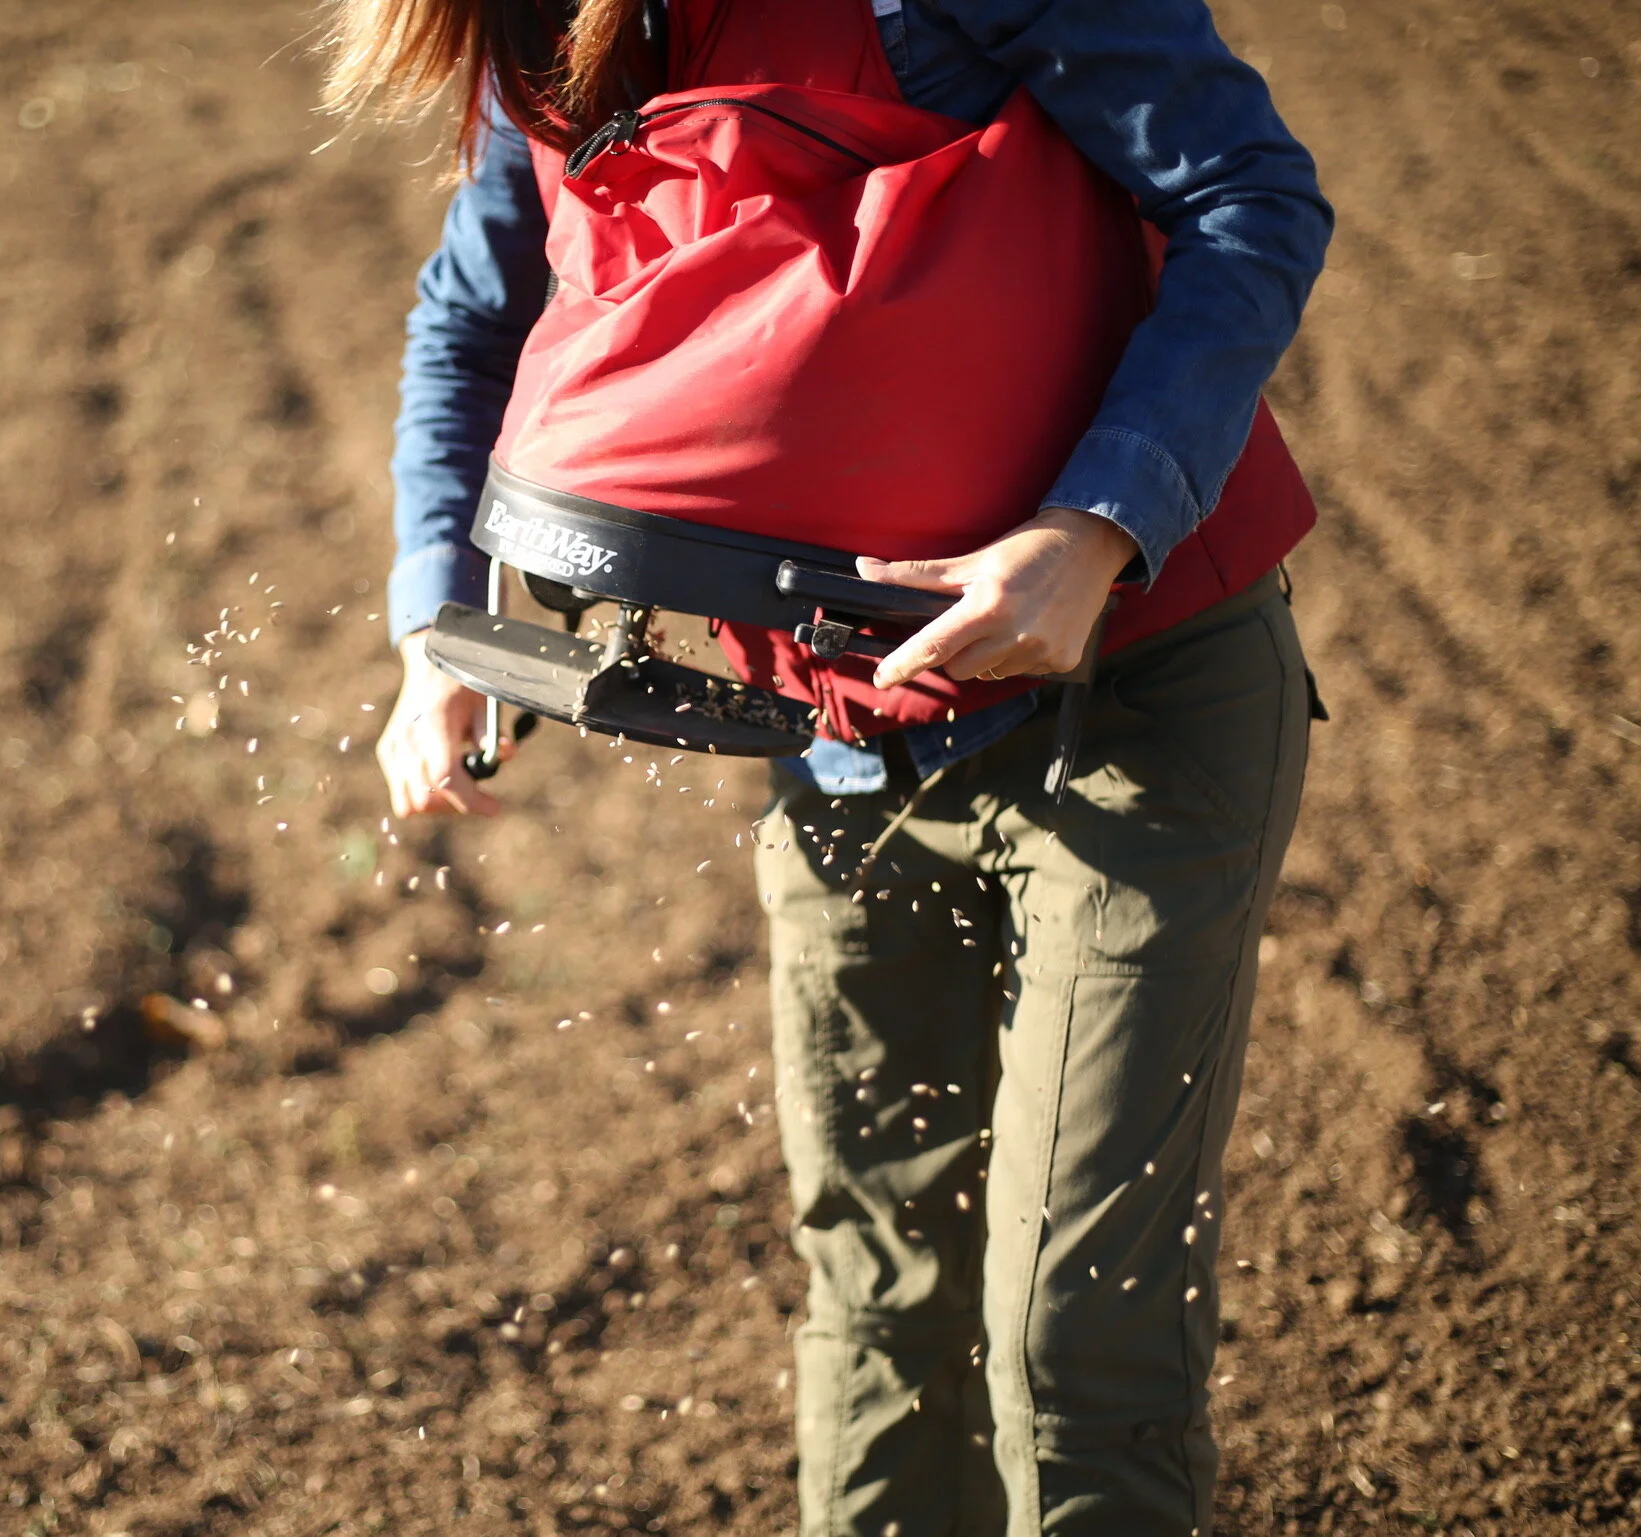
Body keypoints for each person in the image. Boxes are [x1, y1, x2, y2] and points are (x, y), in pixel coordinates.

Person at [327, 1, 1331, 1531]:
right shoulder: (539, 24)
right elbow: (476, 314)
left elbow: (1246, 193)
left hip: (1131, 712)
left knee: (1076, 1331)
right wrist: (433, 624)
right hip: (845, 748)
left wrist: (1093, 530)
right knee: (882, 1289)